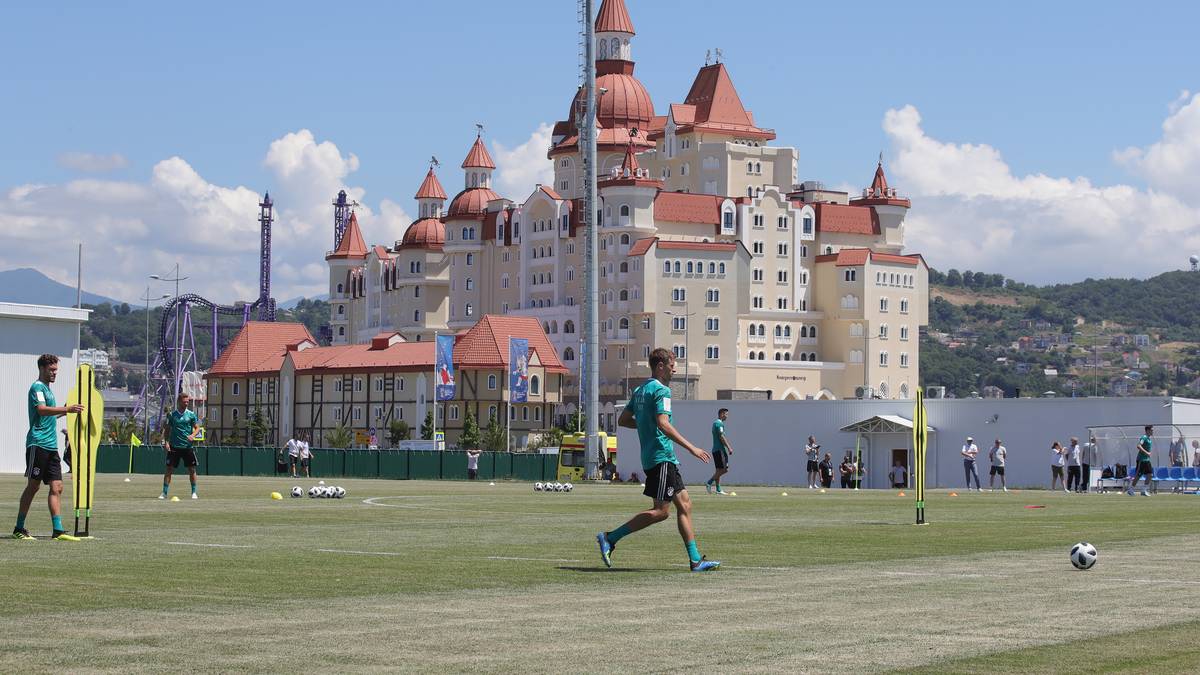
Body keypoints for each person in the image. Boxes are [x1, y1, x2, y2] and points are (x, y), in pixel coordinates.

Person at [596, 348, 720, 572]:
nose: (675, 369)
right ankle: (610, 537)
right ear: (660, 366)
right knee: (662, 511)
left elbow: (624, 420)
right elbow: (663, 423)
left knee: (685, 504)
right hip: (661, 456)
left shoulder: (641, 389)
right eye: (672, 365)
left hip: (658, 456)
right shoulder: (662, 391)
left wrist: (646, 425)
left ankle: (695, 561)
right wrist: (692, 447)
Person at [13, 354, 85, 541]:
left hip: (52, 446)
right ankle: (19, 528)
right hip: (38, 444)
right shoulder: (37, 387)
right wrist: (66, 410)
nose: (54, 373)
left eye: (56, 370)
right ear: (42, 369)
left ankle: (58, 530)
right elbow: (41, 410)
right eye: (51, 370)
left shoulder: (48, 390)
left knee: (58, 486)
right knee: (34, 486)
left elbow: (49, 415)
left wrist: (66, 410)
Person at [160, 392, 200, 500]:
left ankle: (194, 492)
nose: (186, 403)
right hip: (174, 447)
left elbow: (197, 428)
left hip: (187, 447)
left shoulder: (191, 414)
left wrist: (192, 435)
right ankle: (164, 493)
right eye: (184, 402)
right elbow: (167, 430)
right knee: (169, 469)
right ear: (179, 402)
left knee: (192, 469)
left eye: (188, 402)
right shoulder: (172, 415)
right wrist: (166, 442)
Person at [705, 408, 733, 495]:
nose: (727, 416)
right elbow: (721, 437)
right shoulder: (718, 423)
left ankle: (718, 489)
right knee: (725, 469)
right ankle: (709, 482)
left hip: (716, 450)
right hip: (719, 450)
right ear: (721, 414)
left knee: (718, 470)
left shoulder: (716, 423)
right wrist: (729, 447)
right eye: (726, 414)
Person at [1128, 425, 1154, 497]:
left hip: (1147, 460)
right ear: (1147, 430)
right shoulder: (1144, 437)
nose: (1153, 431)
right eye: (1151, 430)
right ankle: (1131, 489)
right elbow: (1138, 446)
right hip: (1141, 460)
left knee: (1150, 474)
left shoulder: (1149, 438)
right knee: (1138, 475)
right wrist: (1147, 453)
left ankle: (1144, 490)